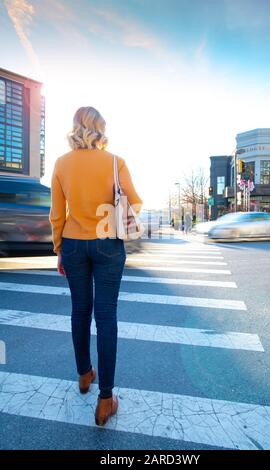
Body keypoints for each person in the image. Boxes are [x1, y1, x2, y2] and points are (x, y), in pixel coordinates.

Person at [49, 106, 142, 426]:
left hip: (73, 244)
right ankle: (105, 401)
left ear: (76, 127)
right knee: (106, 317)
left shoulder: (61, 164)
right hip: (107, 243)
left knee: (79, 311)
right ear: (100, 128)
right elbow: (136, 202)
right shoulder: (115, 162)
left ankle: (84, 375)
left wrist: (59, 249)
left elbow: (57, 214)